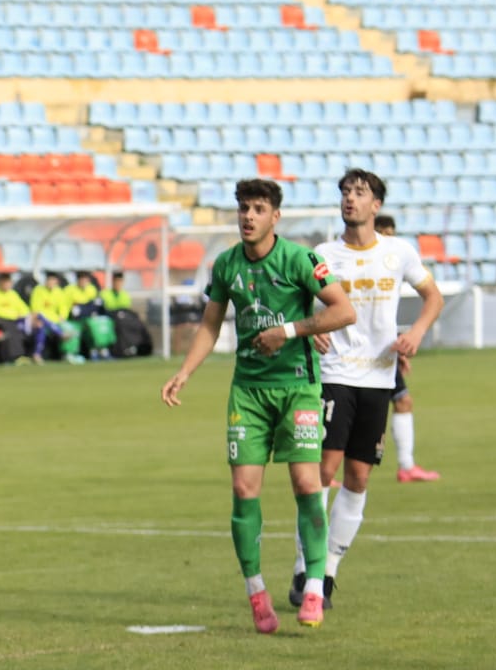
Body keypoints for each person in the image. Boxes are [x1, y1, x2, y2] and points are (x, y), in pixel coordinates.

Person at [160, 178, 354, 632]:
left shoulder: (300, 259)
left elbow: (343, 311)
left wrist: (288, 331)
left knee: (308, 486)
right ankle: (256, 592)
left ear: (275, 217)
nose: (248, 216)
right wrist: (185, 371)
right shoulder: (226, 265)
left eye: (259, 208)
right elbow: (210, 325)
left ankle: (312, 590)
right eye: (244, 208)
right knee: (245, 491)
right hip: (247, 392)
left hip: (298, 388)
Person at [287, 171, 444, 609]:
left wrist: (415, 332)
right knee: (323, 470)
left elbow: (433, 298)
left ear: (376, 205)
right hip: (335, 374)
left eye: (359, 193)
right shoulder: (322, 254)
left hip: (379, 378)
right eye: (344, 192)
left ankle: (329, 570)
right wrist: (307, 331)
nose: (349, 199)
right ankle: (307, 567)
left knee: (358, 477)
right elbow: (298, 301)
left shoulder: (398, 252)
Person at [376, 213, 441, 481]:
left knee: (402, 401)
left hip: (384, 350)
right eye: (385, 234)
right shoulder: (361, 265)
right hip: (352, 355)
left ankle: (406, 466)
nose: (390, 240)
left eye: (392, 234)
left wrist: (398, 349)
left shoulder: (395, 263)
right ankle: (326, 467)